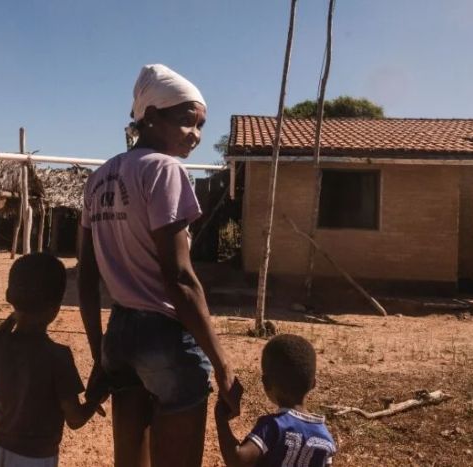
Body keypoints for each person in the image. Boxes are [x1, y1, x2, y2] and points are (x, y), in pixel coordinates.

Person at [78, 63, 241, 467]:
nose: (196, 136)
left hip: (120, 333)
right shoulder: (165, 169)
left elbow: (85, 275)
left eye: (201, 125)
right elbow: (180, 279)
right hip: (166, 338)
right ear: (150, 116)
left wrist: (100, 353)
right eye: (187, 122)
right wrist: (222, 366)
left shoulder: (97, 179)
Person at [0, 253, 103, 467]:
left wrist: (11, 320)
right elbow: (75, 419)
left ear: (9, 296)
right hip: (34, 458)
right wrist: (95, 399)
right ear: (56, 306)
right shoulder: (57, 357)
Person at [215, 335, 336, 467]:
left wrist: (221, 419)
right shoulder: (326, 438)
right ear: (313, 384)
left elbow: (238, 461)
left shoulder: (274, 427)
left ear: (266, 383)